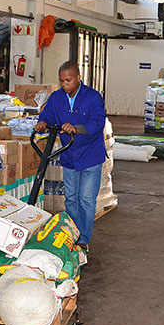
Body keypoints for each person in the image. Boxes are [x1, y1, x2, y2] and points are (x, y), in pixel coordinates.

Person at [34, 61, 107, 252]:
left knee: (86, 199)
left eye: (68, 80)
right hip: (69, 154)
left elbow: (98, 122)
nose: (65, 84)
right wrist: (42, 122)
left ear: (78, 78)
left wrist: (77, 128)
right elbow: (48, 114)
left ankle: (83, 239)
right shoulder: (57, 97)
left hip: (90, 155)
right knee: (71, 199)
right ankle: (73, 234)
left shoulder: (93, 97)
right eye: (62, 81)